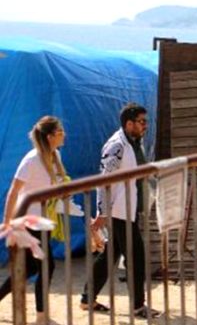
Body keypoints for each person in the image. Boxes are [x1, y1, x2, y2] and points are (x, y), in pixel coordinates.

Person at [80, 103, 159, 318]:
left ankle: (88, 299)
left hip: (129, 208)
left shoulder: (134, 143)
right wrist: (102, 212)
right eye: (142, 122)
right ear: (129, 123)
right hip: (119, 211)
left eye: (146, 122)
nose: (145, 126)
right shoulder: (116, 146)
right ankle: (137, 306)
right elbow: (103, 180)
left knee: (109, 256)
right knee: (137, 257)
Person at [0, 116, 67, 324]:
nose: (63, 134)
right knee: (47, 266)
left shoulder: (55, 155)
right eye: (60, 132)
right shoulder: (32, 159)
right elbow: (13, 191)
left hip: (43, 220)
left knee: (28, 269)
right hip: (28, 221)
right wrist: (7, 222)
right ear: (49, 136)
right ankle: (41, 315)